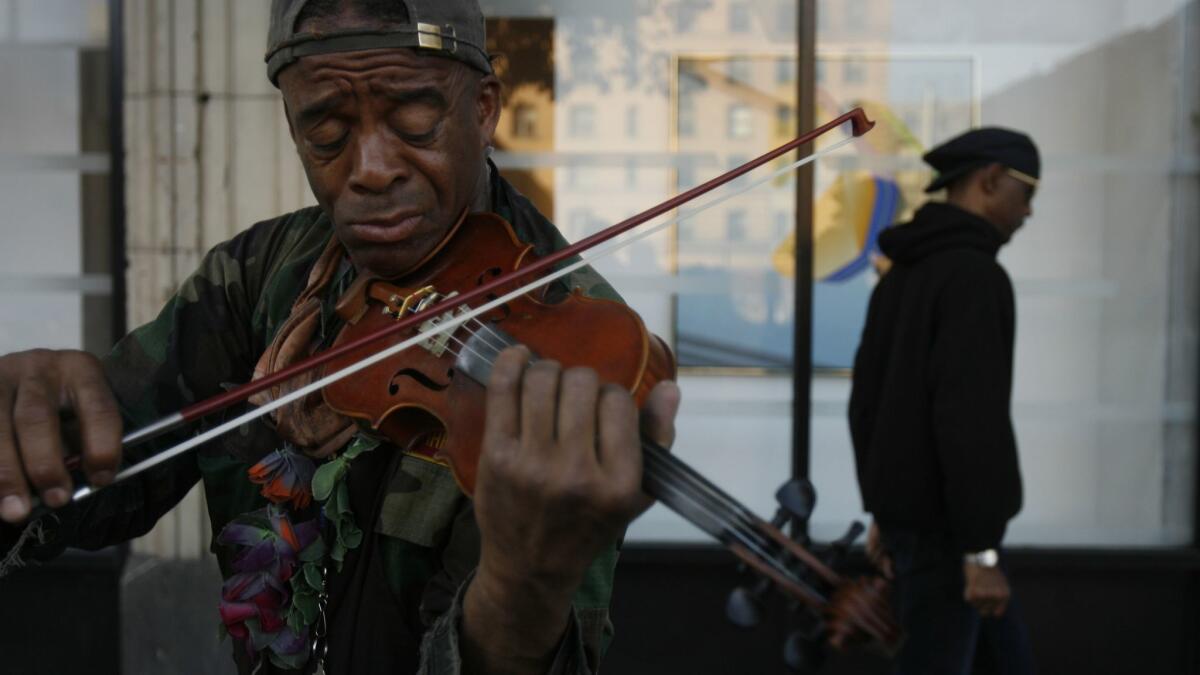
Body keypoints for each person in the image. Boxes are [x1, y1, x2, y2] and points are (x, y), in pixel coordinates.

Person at [0, 1, 680, 673]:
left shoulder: (575, 349)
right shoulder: (260, 273)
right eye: (326, 130)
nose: (370, 168)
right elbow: (109, 463)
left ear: (482, 109)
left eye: (413, 117)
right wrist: (32, 442)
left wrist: (521, 589)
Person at [848, 127, 1040, 675]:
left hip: (917, 529)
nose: (1029, 213)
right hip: (951, 544)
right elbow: (970, 420)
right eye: (1027, 195)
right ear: (990, 181)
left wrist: (885, 508)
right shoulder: (977, 278)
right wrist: (980, 554)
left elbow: (867, 402)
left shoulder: (900, 276)